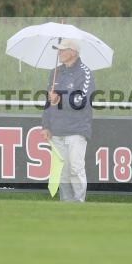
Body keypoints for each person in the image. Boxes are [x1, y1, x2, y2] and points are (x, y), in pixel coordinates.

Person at [40, 38, 93, 202]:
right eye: (58, 50)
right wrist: (46, 125)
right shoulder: (54, 72)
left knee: (76, 170)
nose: (59, 53)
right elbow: (48, 101)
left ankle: (79, 204)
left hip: (77, 130)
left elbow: (82, 100)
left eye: (63, 50)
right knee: (61, 171)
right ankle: (66, 206)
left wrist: (60, 99)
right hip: (56, 131)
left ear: (74, 52)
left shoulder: (85, 72)